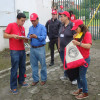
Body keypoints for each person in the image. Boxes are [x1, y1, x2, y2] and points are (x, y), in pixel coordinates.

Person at [4, 13, 28, 94]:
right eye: (22, 21)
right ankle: (13, 87)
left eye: (24, 21)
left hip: (22, 50)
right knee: (14, 69)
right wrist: (13, 36)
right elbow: (5, 35)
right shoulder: (11, 25)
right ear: (17, 19)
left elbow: (23, 38)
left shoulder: (23, 28)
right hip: (14, 51)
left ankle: (21, 81)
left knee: (22, 67)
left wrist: (25, 39)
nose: (23, 22)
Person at [71, 19, 92, 99]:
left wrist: (78, 43)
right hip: (78, 58)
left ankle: (85, 92)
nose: (75, 30)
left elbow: (88, 46)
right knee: (78, 75)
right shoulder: (79, 34)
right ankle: (80, 88)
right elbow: (76, 45)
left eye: (76, 28)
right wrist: (74, 39)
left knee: (82, 76)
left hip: (85, 59)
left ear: (80, 26)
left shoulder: (87, 34)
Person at [27, 13, 47, 86]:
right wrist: (28, 38)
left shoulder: (42, 27)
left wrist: (36, 37)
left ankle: (44, 79)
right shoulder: (30, 28)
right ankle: (35, 79)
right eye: (31, 21)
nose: (33, 22)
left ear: (38, 19)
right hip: (32, 49)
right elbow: (28, 36)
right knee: (33, 65)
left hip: (40, 48)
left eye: (34, 21)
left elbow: (44, 37)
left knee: (43, 64)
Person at [58, 11, 77, 84]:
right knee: (65, 63)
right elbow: (59, 36)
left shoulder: (72, 25)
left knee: (71, 64)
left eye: (62, 16)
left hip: (70, 50)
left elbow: (76, 36)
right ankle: (66, 75)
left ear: (67, 17)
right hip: (62, 49)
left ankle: (74, 78)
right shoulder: (61, 26)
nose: (61, 18)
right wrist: (59, 47)